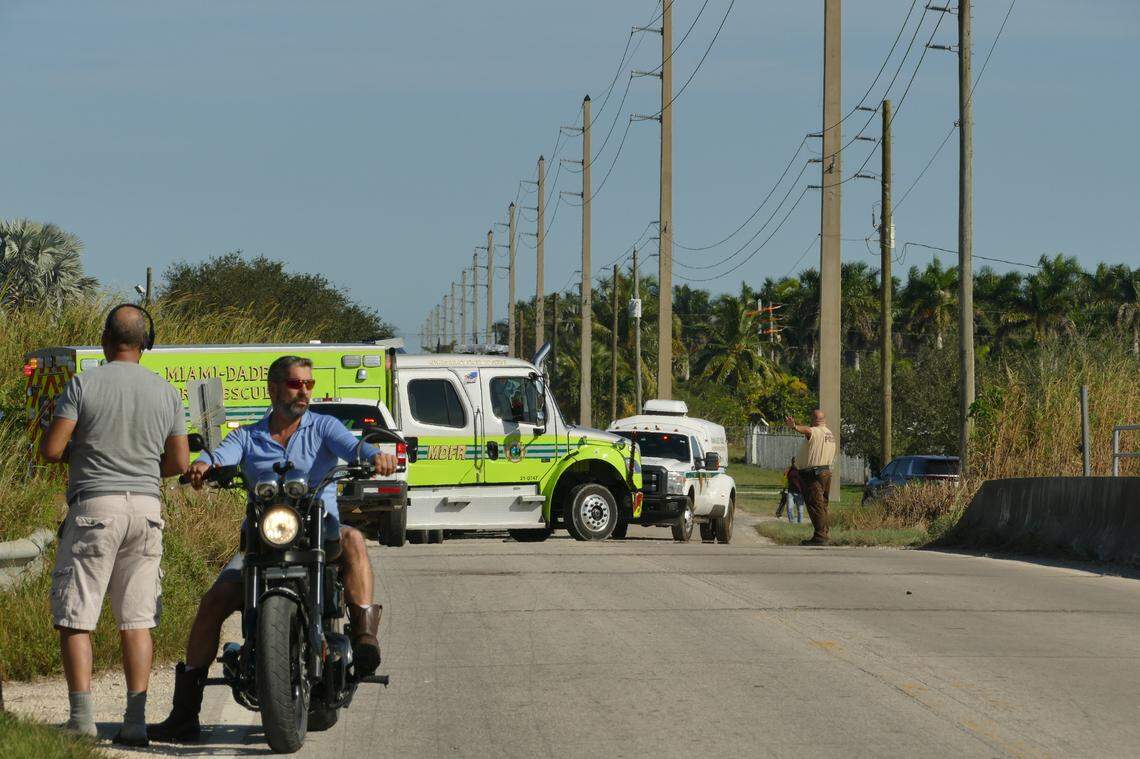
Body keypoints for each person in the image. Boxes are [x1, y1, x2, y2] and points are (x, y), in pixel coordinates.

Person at [149, 355, 398, 743]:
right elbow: (221, 455)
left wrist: (374, 457)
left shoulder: (324, 428)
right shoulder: (247, 435)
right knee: (213, 602)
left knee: (353, 538)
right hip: (264, 542)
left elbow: (353, 448)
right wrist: (203, 464)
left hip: (319, 534)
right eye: (297, 384)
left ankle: (366, 637)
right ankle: (184, 713)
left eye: (309, 385)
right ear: (274, 388)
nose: (304, 392)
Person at [39, 304, 189, 746]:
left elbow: (51, 449)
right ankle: (136, 720)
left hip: (94, 508)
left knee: (76, 615)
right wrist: (141, 472)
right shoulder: (166, 392)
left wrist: (80, 456)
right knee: (137, 619)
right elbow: (179, 462)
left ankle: (82, 718)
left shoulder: (83, 383)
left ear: (105, 340)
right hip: (146, 509)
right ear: (147, 343)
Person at [785, 410, 837, 545]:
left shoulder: (816, 431)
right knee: (823, 505)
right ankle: (823, 533)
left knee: (815, 505)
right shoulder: (829, 433)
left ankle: (820, 537)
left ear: (814, 420)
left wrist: (794, 427)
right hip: (826, 472)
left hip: (813, 474)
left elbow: (807, 431)